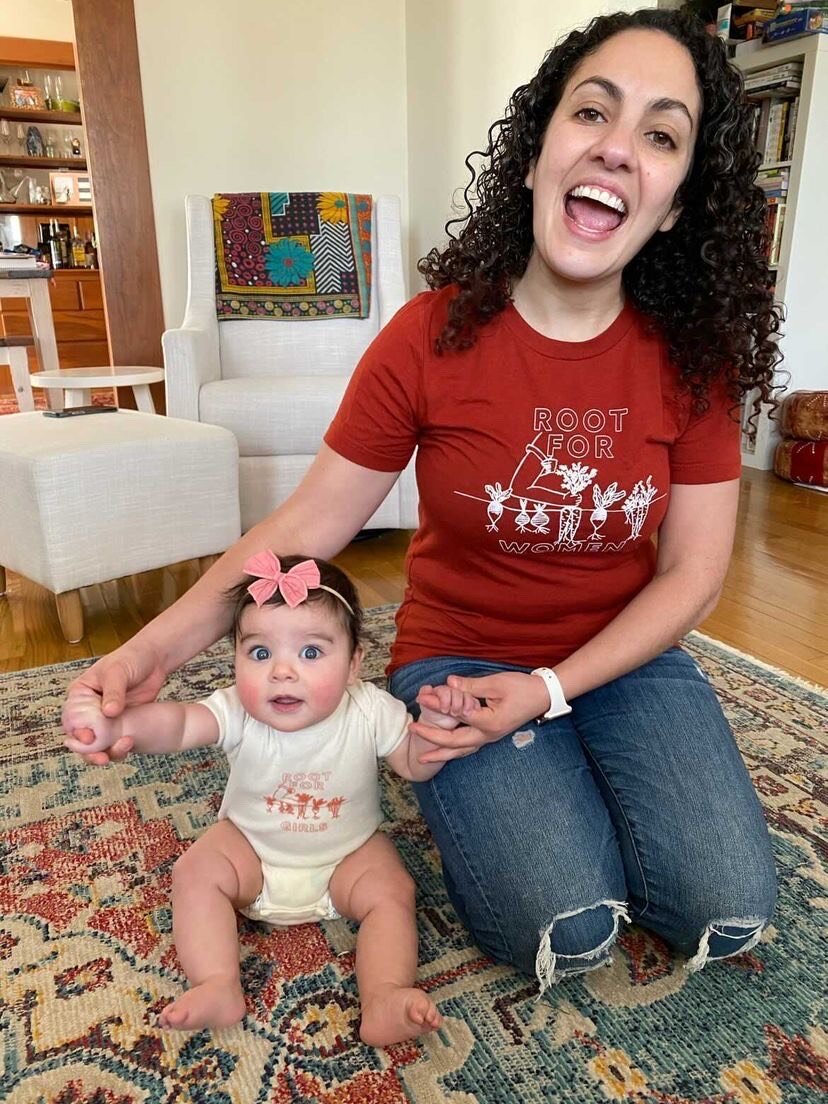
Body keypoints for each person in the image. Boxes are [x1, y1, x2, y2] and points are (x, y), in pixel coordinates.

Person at [64, 8, 781, 996]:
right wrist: (146, 654)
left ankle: (571, 755)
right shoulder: (429, 335)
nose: (618, 148)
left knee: (725, 903)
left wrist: (549, 693)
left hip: (624, 658)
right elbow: (301, 534)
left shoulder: (697, 360)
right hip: (460, 660)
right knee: (556, 922)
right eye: (593, 114)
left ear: (672, 207)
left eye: (660, 135)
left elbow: (695, 573)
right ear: (536, 157)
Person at [63, 554, 475, 1041]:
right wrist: (120, 725)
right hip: (251, 853)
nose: (282, 672)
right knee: (195, 871)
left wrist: (439, 726)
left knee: (393, 891)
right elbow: (177, 726)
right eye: (260, 653)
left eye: (311, 653)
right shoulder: (237, 710)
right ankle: (217, 982)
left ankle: (383, 994)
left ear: (353, 663)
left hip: (347, 857)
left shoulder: (369, 709)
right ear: (235, 656)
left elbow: (411, 761)